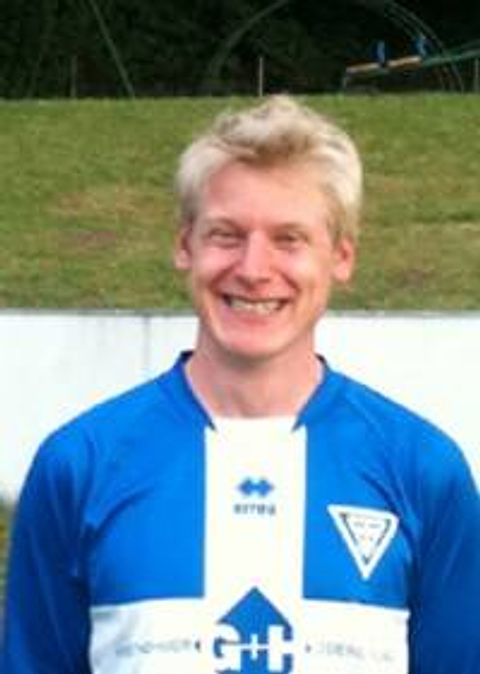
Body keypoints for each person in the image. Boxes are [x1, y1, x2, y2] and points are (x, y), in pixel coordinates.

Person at [1, 96, 479, 674]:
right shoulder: (78, 466)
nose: (253, 269)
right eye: (226, 235)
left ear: (341, 256)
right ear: (185, 246)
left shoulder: (423, 471)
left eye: (289, 239)